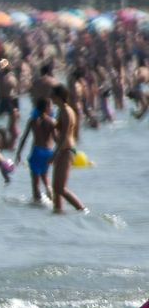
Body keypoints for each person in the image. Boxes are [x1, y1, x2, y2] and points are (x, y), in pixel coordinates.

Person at [49, 85, 86, 214]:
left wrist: (54, 154)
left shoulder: (66, 111)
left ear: (58, 96)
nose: (50, 97)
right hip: (62, 150)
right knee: (56, 188)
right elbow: (59, 135)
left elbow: (64, 135)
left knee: (61, 188)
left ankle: (82, 210)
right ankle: (57, 212)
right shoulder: (61, 110)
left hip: (67, 151)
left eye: (52, 95)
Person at [13, 97, 57, 204]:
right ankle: (50, 193)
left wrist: (18, 153)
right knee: (45, 177)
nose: (51, 108)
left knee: (35, 182)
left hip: (37, 151)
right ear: (46, 107)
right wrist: (55, 155)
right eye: (50, 106)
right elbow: (57, 140)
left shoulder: (33, 121)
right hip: (48, 152)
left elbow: (24, 138)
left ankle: (37, 203)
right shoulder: (51, 122)